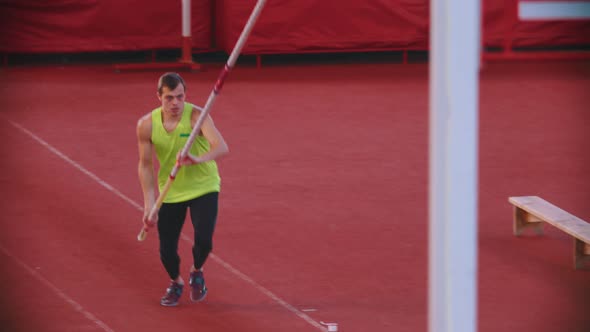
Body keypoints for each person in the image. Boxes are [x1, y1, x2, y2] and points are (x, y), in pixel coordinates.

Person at [137, 72, 228, 306]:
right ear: (159, 96)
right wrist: (150, 205)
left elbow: (221, 147)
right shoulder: (146, 125)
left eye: (180, 96)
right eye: (169, 98)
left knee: (204, 240)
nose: (176, 103)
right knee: (167, 251)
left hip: (203, 186)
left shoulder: (197, 116)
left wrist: (198, 158)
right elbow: (146, 166)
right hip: (171, 190)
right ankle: (176, 282)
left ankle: (197, 270)